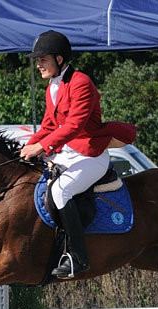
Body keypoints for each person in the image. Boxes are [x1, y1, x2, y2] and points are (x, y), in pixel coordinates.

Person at [20, 30, 135, 279]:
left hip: (89, 155)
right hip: (66, 153)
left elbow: (75, 126)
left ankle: (78, 258)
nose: (38, 63)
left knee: (61, 191)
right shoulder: (52, 86)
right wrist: (28, 147)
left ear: (59, 59)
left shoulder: (81, 82)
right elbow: (49, 127)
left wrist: (42, 147)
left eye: (43, 59)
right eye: (37, 60)